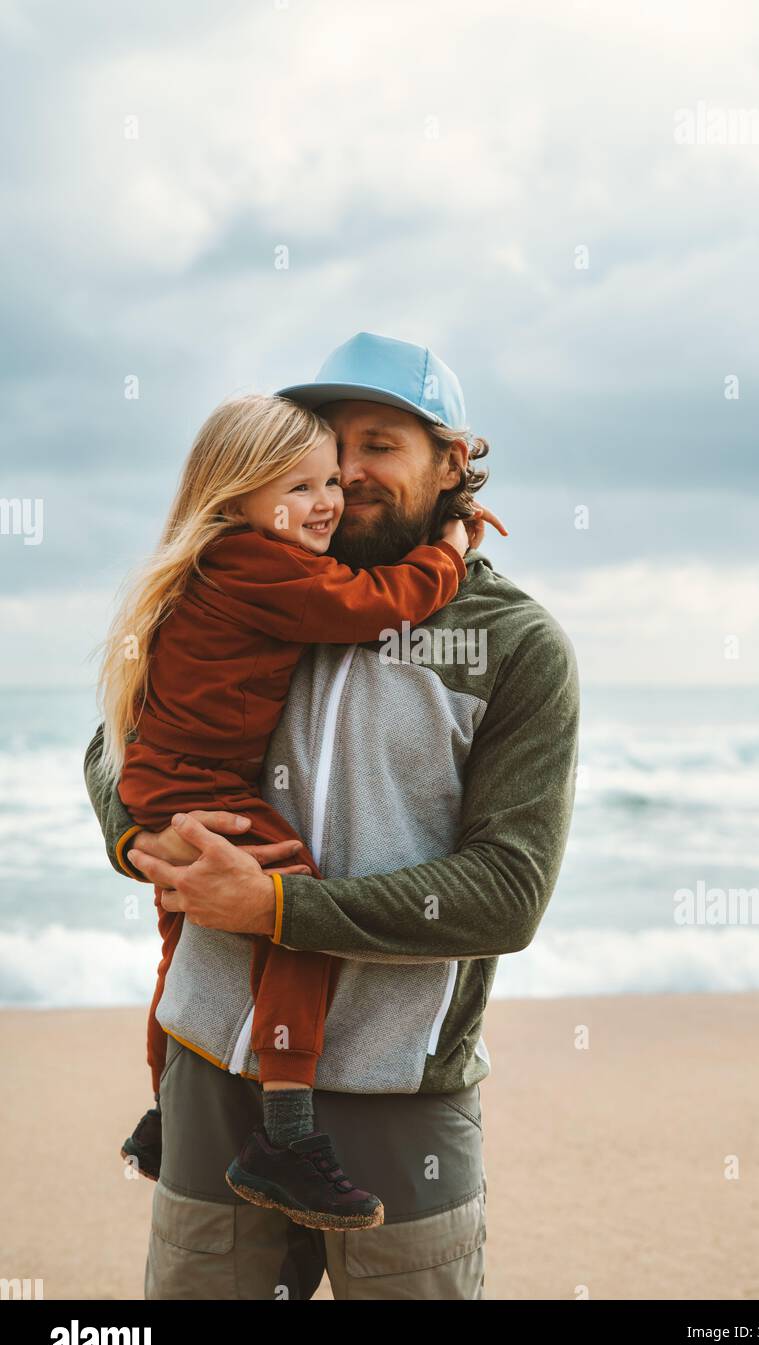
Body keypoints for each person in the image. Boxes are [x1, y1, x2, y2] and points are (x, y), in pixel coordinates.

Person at [84, 331, 579, 1300]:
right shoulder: (255, 585)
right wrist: (140, 835)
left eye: (380, 444)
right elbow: (115, 739)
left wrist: (275, 906)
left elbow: (507, 893)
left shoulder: (513, 643)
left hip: (400, 1078)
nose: (346, 475)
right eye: (328, 447)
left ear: (453, 461)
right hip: (209, 1068)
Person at [95, 388, 493, 1231]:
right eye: (301, 486)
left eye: (333, 481)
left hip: (175, 779)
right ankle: (283, 1135)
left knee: (178, 949)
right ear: (236, 495)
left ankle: (163, 1117)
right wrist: (451, 556)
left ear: (451, 463)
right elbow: (370, 604)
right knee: (294, 917)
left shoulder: (225, 560)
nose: (329, 499)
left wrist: (146, 824)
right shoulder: (260, 564)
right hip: (203, 789)